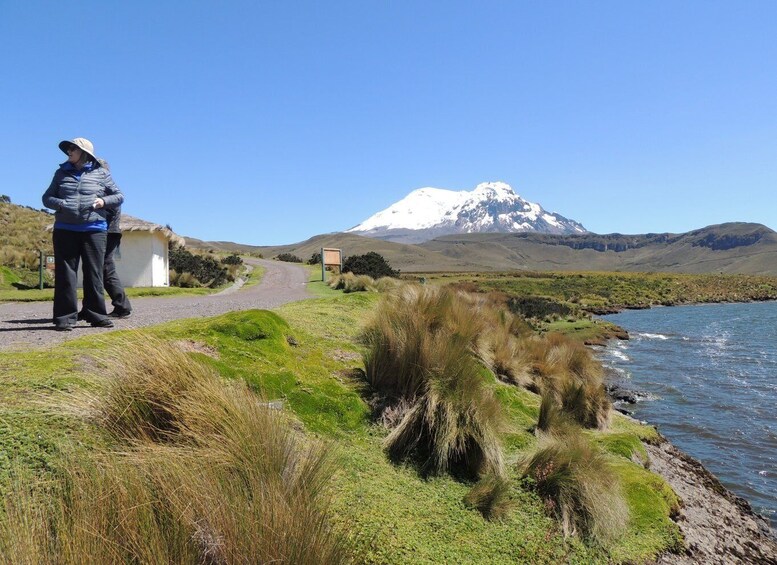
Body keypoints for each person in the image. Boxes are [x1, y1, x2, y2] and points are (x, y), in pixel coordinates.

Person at [42, 138, 124, 331]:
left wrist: (102, 202)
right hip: (65, 229)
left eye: (73, 149)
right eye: (68, 149)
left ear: (84, 152)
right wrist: (60, 203)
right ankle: (65, 318)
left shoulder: (101, 173)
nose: (69, 151)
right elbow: (46, 198)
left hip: (94, 230)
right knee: (65, 275)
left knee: (94, 273)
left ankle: (96, 315)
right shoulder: (60, 173)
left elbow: (119, 196)